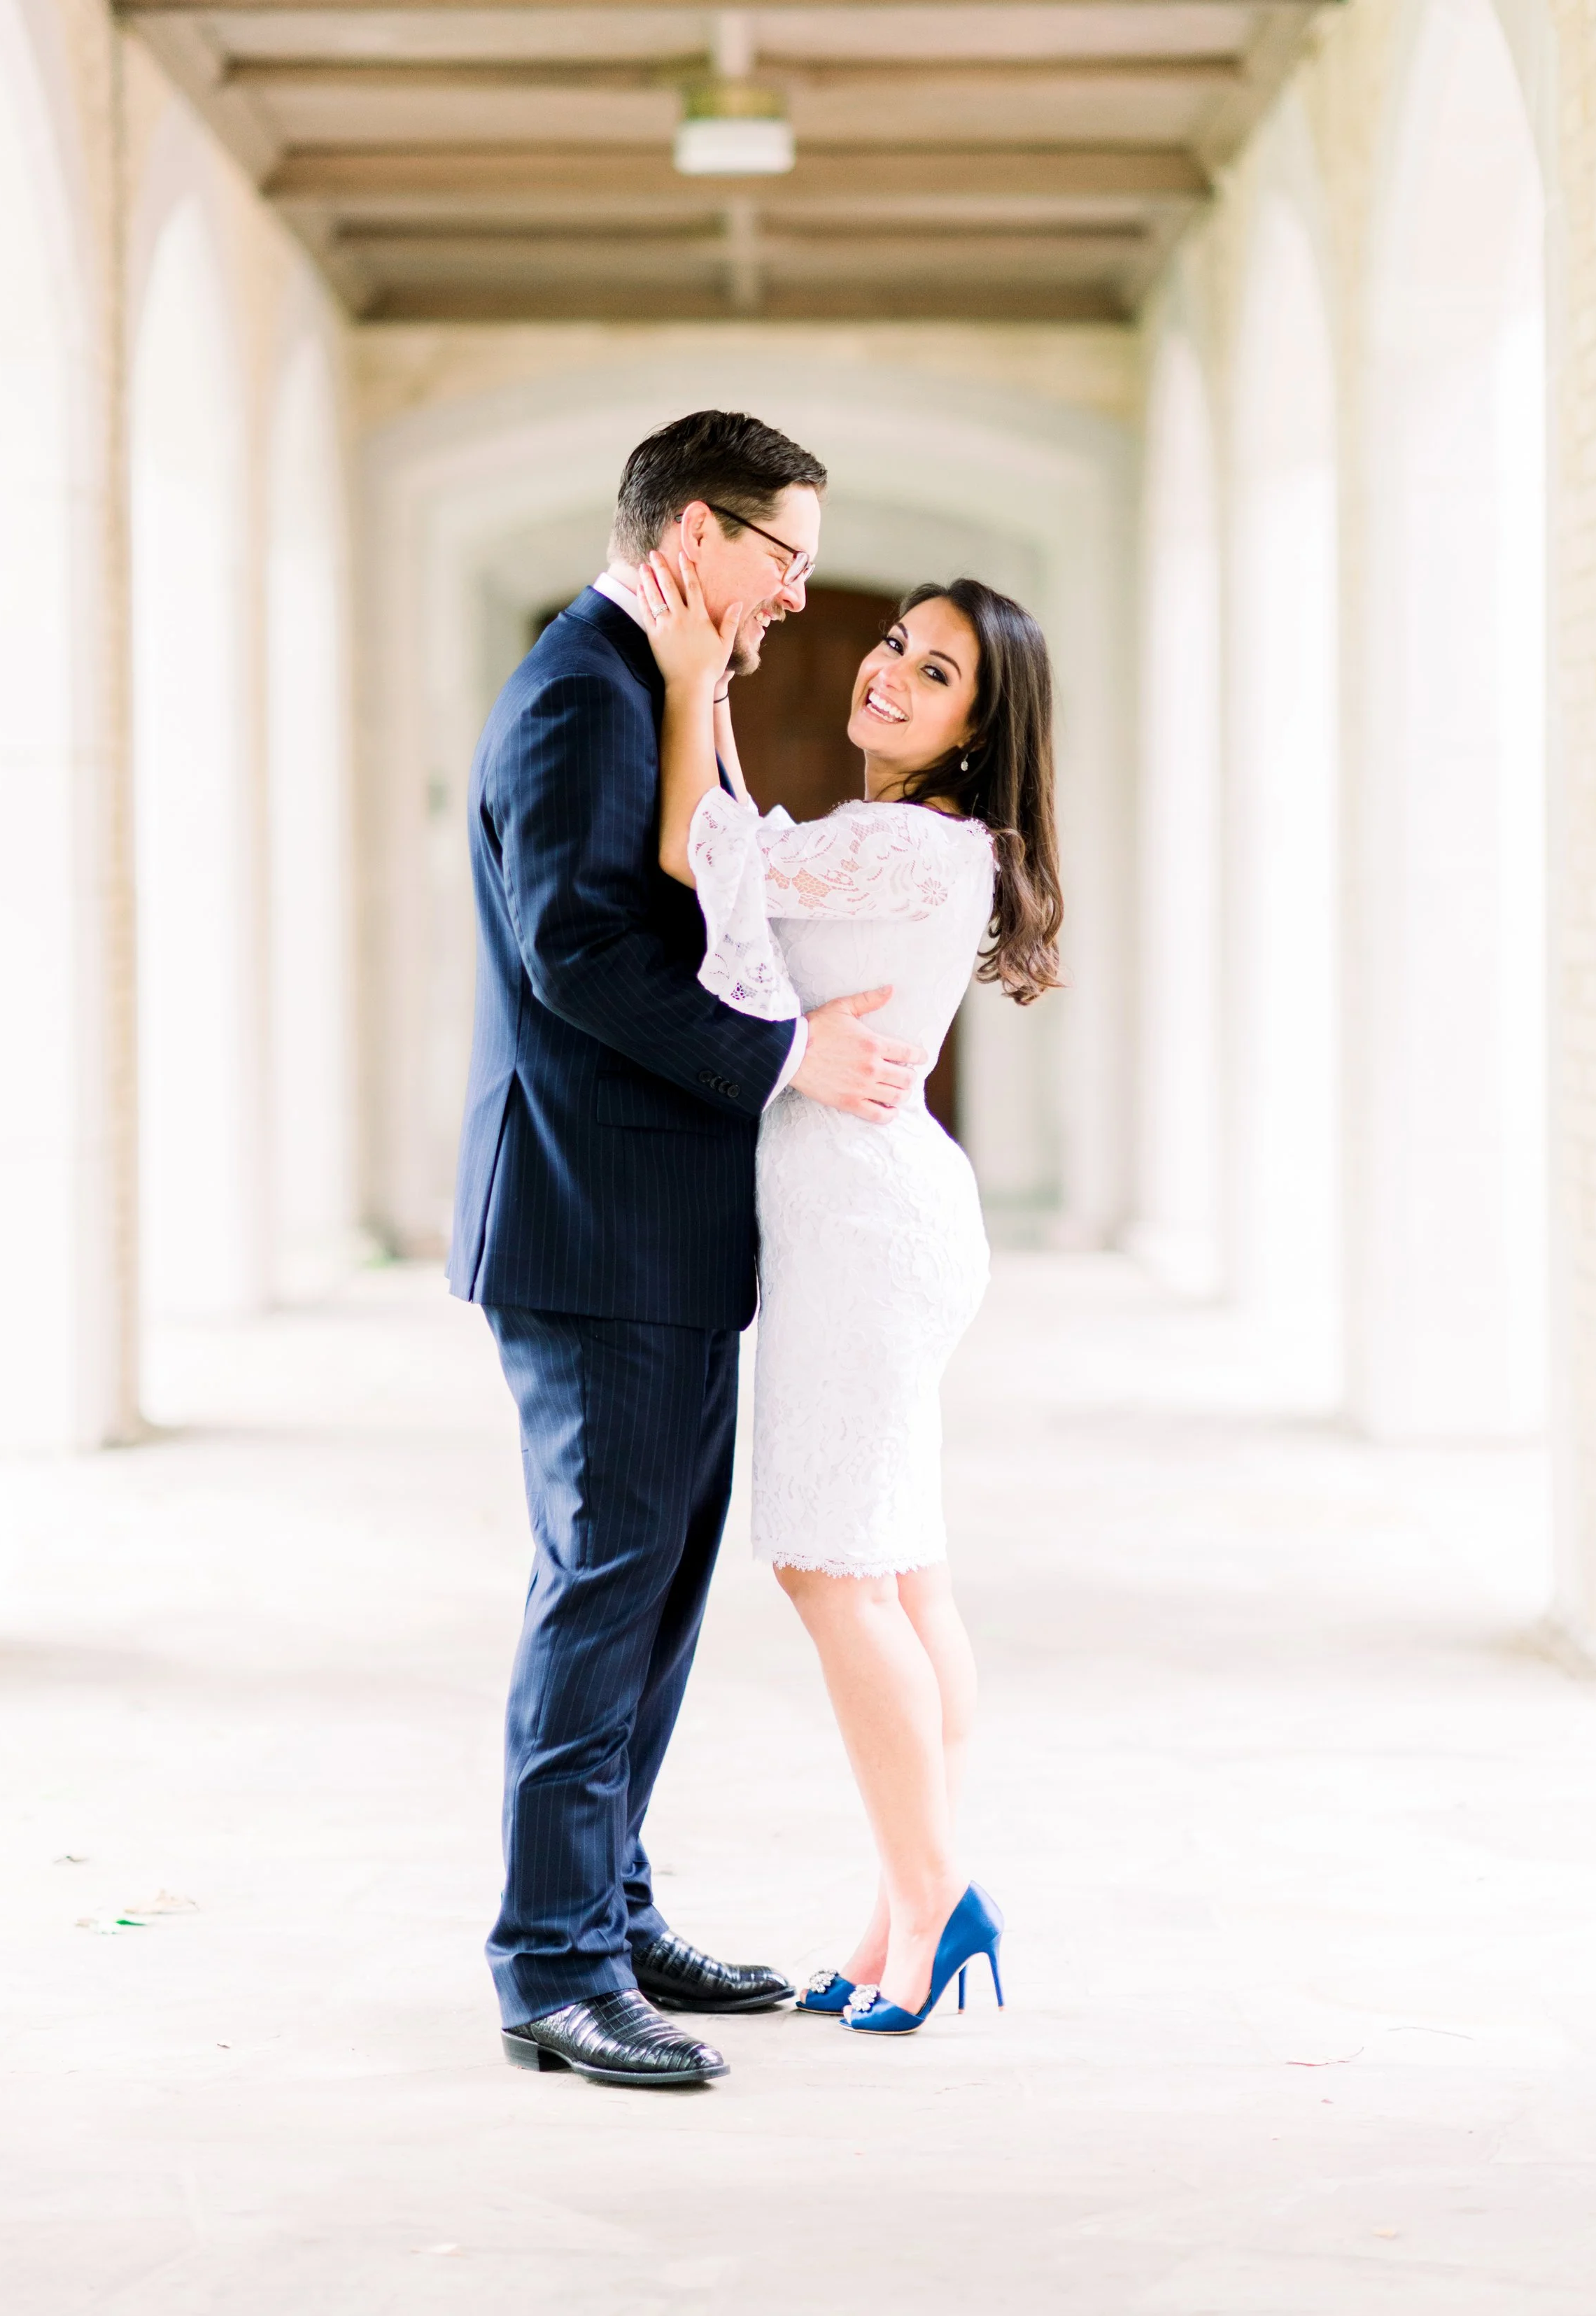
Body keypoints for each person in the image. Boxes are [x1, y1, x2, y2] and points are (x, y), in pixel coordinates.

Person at [448, 411, 926, 2089]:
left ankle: (610, 1909)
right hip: (596, 1220)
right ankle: (552, 1966)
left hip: (655, 1225)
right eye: (783, 556)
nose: (796, 593)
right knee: (601, 1592)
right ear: (696, 531)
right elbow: (578, 953)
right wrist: (794, 1055)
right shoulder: (580, 688)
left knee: (644, 1596)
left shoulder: (647, 675)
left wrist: (705, 687)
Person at [640, 551, 1064, 2034]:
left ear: (972, 729)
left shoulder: (916, 847)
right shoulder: (900, 837)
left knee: (830, 1568)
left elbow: (712, 863)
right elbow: (753, 848)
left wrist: (697, 678)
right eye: (892, 642)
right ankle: (900, 1921)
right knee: (898, 1574)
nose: (887, 671)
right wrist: (725, 699)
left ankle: (938, 1897)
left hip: (860, 1225)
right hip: (877, 1209)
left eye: (932, 672)